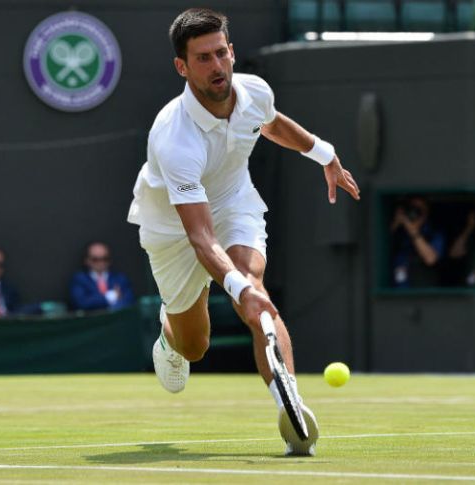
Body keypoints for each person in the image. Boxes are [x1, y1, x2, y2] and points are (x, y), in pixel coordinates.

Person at [126, 8, 360, 456]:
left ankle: (291, 408)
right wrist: (234, 288)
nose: (217, 66)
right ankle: (169, 334)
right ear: (182, 66)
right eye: (203, 59)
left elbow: (270, 123)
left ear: (232, 51)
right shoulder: (174, 136)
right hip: (174, 228)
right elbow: (199, 237)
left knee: (257, 289)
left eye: (221, 53)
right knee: (195, 347)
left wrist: (325, 155)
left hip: (234, 201)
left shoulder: (254, 91)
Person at [390, 196, 445, 288]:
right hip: (396, 292)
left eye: (419, 210)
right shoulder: (399, 231)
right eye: (412, 208)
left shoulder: (434, 233)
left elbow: (430, 259)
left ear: (426, 213)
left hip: (421, 294)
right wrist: (397, 222)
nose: (414, 213)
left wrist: (412, 230)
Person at [69, 242, 135, 311]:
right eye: (95, 259)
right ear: (87, 260)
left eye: (105, 259)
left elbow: (129, 301)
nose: (101, 263)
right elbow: (81, 303)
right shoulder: (79, 279)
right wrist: (110, 296)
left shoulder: (120, 278)